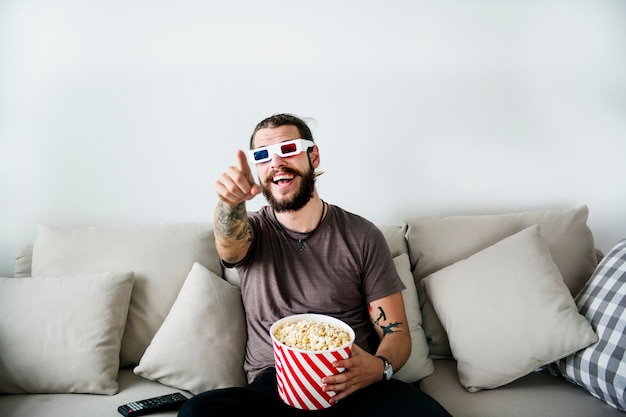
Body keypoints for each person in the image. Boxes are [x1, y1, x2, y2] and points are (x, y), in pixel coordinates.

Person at [178, 114, 451, 417]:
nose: (276, 163)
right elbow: (230, 248)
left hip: (352, 381)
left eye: (288, 149)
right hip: (276, 384)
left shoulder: (362, 235)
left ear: (313, 155)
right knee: (198, 412)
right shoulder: (252, 231)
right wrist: (230, 203)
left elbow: (396, 332)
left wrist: (378, 367)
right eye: (263, 156)